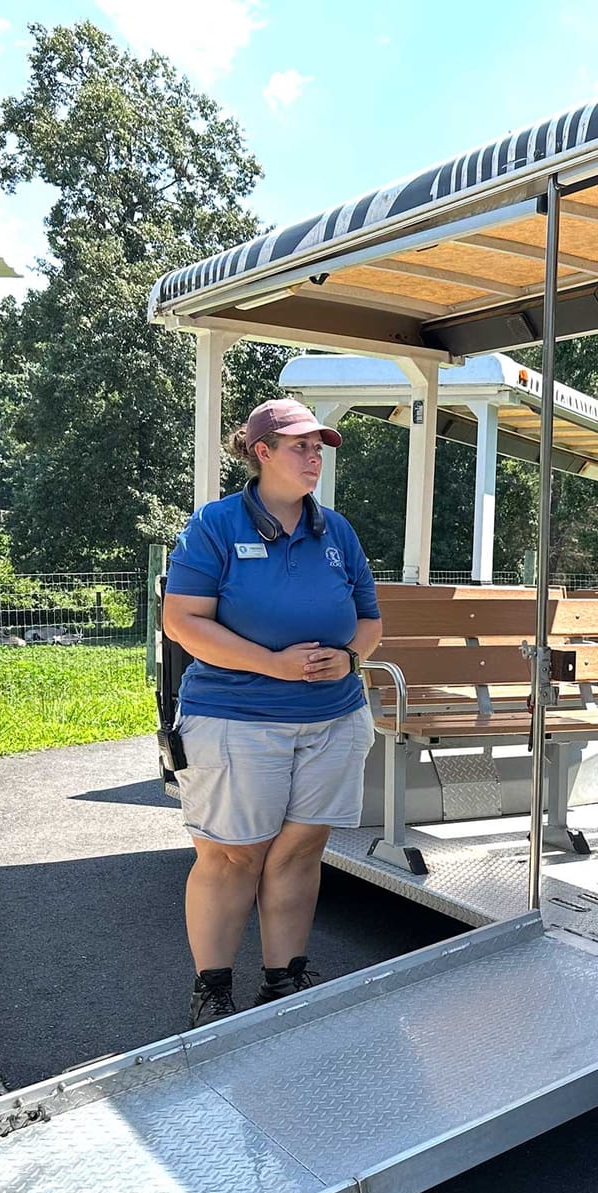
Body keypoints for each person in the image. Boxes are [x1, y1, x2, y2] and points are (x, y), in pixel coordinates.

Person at [162, 398, 382, 1027]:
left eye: (319, 448)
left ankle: (285, 979)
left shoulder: (336, 530)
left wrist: (349, 657)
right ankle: (214, 991)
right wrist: (272, 663)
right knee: (232, 854)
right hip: (236, 717)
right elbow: (182, 622)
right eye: (301, 447)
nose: (315, 458)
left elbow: (369, 622)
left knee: (301, 849)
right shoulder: (215, 526)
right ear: (261, 452)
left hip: (334, 716)